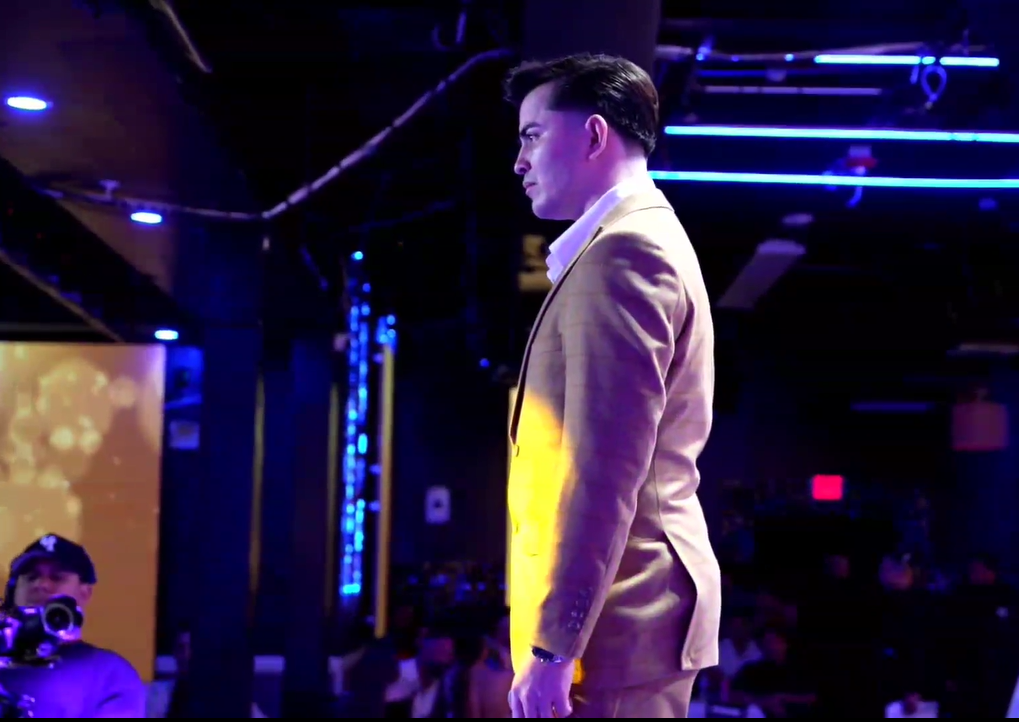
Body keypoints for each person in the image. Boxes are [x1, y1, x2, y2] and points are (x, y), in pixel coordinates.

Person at [503, 53, 721, 718]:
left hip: (616, 626)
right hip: (621, 621)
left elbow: (603, 471)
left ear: (594, 136)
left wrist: (553, 647)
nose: (518, 161)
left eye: (531, 135)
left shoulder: (624, 253)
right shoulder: (633, 242)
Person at [0, 534, 145, 717]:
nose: (41, 585)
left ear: (85, 593)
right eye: (31, 577)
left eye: (57, 577)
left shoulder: (110, 674)